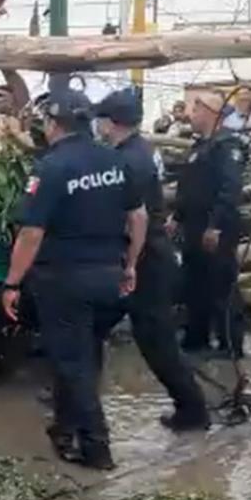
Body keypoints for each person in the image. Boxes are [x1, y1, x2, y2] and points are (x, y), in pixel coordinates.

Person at [2, 90, 148, 470]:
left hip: (66, 281)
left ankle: (97, 449)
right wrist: (130, 264)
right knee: (84, 355)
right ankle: (63, 429)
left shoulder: (51, 168)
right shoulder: (115, 160)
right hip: (110, 278)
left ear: (52, 124)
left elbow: (31, 233)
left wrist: (12, 283)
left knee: (74, 364)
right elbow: (139, 217)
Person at [94, 89, 211, 431]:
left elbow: (135, 218)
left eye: (102, 119)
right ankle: (74, 391)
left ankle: (193, 409)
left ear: (112, 123)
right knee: (98, 324)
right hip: (147, 256)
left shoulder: (129, 160)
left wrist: (129, 263)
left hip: (146, 260)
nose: (99, 126)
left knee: (157, 344)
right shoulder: (139, 150)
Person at [174, 92, 247, 359]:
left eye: (195, 109)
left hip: (216, 228)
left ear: (209, 111)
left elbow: (230, 189)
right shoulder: (199, 147)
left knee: (221, 284)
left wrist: (216, 225)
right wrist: (177, 217)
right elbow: (190, 188)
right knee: (195, 284)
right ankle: (196, 337)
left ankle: (230, 344)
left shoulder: (227, 146)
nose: (190, 114)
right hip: (193, 227)